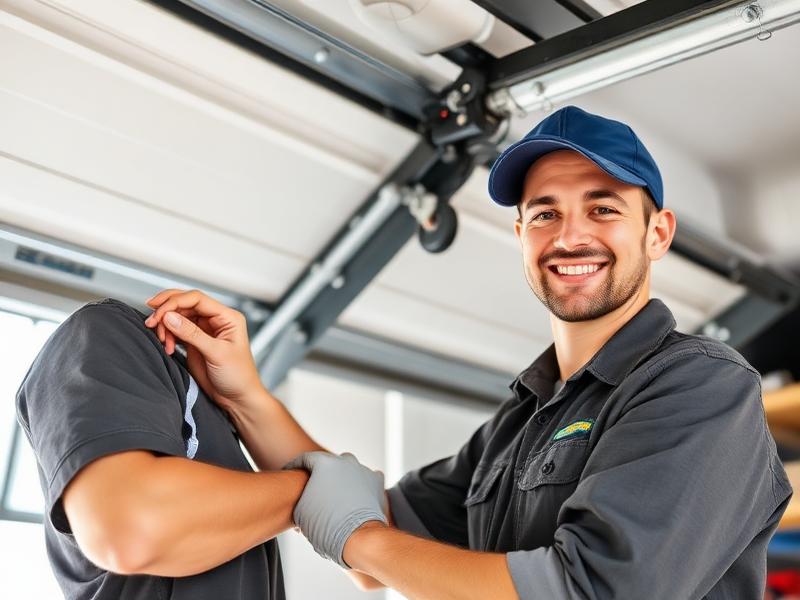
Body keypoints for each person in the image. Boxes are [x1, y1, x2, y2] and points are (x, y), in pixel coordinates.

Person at [143, 106, 793, 599]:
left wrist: (362, 544)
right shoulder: (521, 420)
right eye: (544, 214)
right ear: (520, 234)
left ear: (658, 233)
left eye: (603, 210)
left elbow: (590, 589)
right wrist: (242, 392)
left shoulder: (699, 386)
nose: (570, 236)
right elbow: (375, 514)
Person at [15, 297, 333, 599]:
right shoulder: (106, 334)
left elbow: (373, 535)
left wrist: (246, 398)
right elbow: (130, 531)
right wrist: (311, 491)